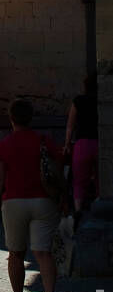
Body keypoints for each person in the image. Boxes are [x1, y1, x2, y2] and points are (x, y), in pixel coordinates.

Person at [0, 98, 61, 292]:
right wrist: (64, 197)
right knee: (44, 253)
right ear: (31, 118)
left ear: (11, 119)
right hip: (44, 201)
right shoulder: (45, 141)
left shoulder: (3, 145)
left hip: (14, 202)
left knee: (16, 253)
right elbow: (57, 172)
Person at [65, 75, 98, 218]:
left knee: (78, 180)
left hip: (82, 143)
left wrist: (67, 143)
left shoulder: (78, 101)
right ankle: (99, 205)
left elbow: (70, 125)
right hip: (101, 143)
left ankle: (78, 211)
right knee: (102, 179)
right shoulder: (103, 101)